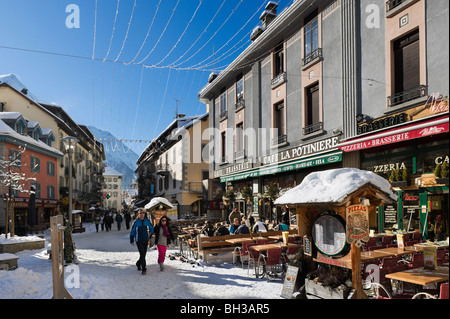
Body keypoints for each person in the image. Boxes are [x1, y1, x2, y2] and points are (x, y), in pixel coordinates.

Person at [130, 209, 154, 275]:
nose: (142, 214)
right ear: (138, 214)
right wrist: (131, 240)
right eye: (140, 213)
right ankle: (144, 269)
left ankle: (138, 263)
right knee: (142, 254)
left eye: (143, 213)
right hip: (139, 240)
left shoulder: (147, 221)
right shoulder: (136, 222)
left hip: (145, 239)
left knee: (143, 254)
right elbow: (132, 231)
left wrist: (150, 235)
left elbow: (151, 228)